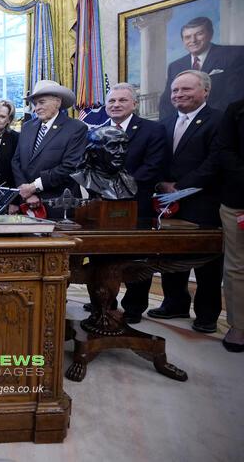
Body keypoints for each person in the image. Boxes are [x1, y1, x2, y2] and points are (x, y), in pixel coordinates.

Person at [148, 70, 223, 333]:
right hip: (168, 203)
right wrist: (161, 184)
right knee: (171, 255)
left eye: (186, 90)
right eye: (175, 90)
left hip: (203, 202)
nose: (178, 94)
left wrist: (180, 186)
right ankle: (174, 303)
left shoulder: (218, 120)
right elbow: (155, 160)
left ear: (205, 91)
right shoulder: (164, 124)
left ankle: (207, 314)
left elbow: (215, 162)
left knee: (208, 263)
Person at [102, 83, 169, 323]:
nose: (116, 105)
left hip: (136, 205)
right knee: (104, 257)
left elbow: (153, 167)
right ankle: (104, 301)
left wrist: (120, 187)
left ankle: (133, 307)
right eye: (112, 101)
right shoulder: (97, 131)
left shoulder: (153, 130)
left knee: (137, 258)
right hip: (103, 207)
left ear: (134, 104)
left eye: (122, 100)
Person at [11, 80, 87, 214]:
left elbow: (70, 166)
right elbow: (16, 162)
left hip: (59, 206)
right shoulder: (27, 127)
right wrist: (27, 192)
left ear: (58, 102)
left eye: (41, 102)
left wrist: (34, 187)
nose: (36, 108)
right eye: (35, 104)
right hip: (27, 204)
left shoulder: (76, 128)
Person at [157, 16, 244, 119]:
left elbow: (236, 95)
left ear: (210, 34)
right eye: (188, 37)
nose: (193, 40)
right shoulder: (175, 66)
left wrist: (202, 120)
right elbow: (166, 103)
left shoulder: (235, 54)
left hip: (222, 122)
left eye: (199, 34)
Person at [215, 98, 244, 352]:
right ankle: (239, 327)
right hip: (239, 200)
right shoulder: (236, 109)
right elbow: (225, 151)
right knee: (237, 266)